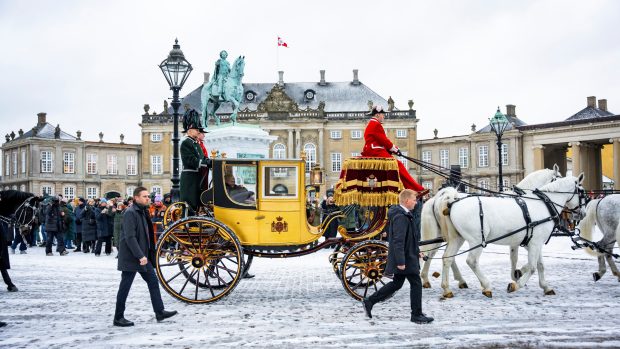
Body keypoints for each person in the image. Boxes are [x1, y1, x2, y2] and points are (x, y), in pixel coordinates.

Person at [362, 189, 434, 324]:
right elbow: (398, 240)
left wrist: (417, 250)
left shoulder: (404, 214)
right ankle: (416, 314)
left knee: (397, 283)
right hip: (405, 258)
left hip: (408, 255)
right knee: (416, 283)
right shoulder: (401, 216)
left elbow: (409, 238)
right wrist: (401, 261)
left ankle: (369, 301)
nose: (416, 202)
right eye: (414, 200)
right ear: (406, 201)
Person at [114, 187, 177, 327]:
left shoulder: (142, 211)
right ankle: (118, 317)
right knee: (125, 287)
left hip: (143, 256)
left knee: (153, 282)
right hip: (132, 256)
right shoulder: (130, 213)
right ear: (136, 198)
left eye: (148, 196)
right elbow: (129, 237)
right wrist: (140, 255)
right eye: (145, 196)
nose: (148, 198)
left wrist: (147, 254)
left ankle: (159, 312)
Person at [361, 105, 428, 197]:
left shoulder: (372, 124)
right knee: (398, 165)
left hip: (374, 150)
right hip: (375, 151)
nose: (383, 116)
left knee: (397, 165)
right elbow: (384, 141)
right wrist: (395, 149)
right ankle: (415, 189)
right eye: (382, 114)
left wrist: (393, 150)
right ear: (377, 115)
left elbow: (380, 141)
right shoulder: (376, 124)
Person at [180, 109, 211, 211]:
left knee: (197, 201)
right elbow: (191, 160)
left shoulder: (195, 143)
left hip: (197, 176)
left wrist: (209, 161)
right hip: (190, 178)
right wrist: (205, 162)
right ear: (189, 129)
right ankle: (189, 223)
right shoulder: (186, 143)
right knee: (190, 202)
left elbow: (202, 157)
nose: (198, 131)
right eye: (196, 129)